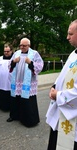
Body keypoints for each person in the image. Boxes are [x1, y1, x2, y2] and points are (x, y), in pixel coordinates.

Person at [46, 20, 77, 150]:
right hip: (62, 113)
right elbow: (63, 75)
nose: (67, 37)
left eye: (70, 34)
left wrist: (57, 95)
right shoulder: (74, 53)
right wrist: (54, 86)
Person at [6, 37, 44, 127]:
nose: (22, 47)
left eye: (24, 45)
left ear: (29, 45)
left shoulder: (34, 54)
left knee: (27, 101)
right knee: (16, 99)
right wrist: (14, 61)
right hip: (17, 81)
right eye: (20, 45)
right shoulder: (16, 53)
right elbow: (9, 64)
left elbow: (40, 65)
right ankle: (14, 116)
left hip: (28, 82)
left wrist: (30, 62)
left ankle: (28, 120)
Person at [0, 44, 13, 111]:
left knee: (8, 93)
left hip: (9, 80)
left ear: (11, 51)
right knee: (0, 92)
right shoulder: (0, 58)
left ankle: (9, 107)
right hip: (0, 80)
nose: (6, 53)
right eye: (5, 51)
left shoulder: (13, 59)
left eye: (8, 51)